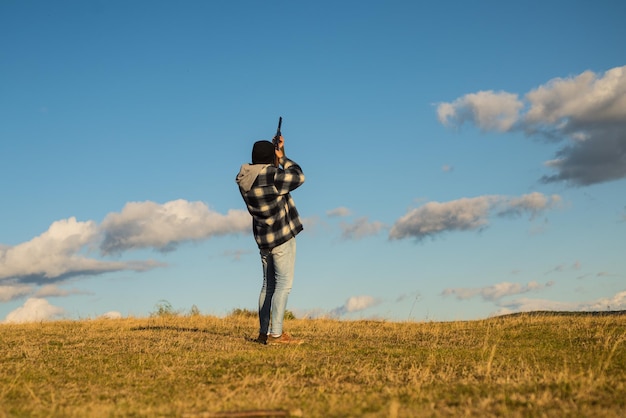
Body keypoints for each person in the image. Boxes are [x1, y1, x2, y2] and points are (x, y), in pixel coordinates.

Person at [235, 135, 305, 345]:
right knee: (284, 285)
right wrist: (282, 157)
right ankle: (276, 335)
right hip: (281, 236)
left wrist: (273, 159)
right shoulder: (273, 175)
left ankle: (264, 332)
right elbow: (299, 176)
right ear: (270, 158)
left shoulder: (244, 179)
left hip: (263, 239)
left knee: (268, 286)